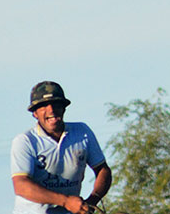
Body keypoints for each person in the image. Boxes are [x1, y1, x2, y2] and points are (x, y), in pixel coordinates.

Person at [11, 81, 112, 214]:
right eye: (43, 106)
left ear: (64, 108)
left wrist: (91, 202)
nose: (51, 110)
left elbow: (103, 170)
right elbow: (21, 186)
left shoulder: (82, 132)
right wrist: (66, 201)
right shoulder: (25, 141)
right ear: (35, 113)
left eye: (56, 104)